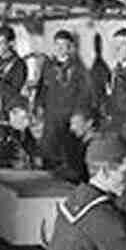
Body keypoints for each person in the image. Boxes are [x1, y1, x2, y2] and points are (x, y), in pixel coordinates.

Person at [33, 29, 95, 174]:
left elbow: (85, 95)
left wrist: (78, 116)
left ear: (70, 47)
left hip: (68, 119)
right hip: (51, 118)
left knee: (68, 155)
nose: (60, 48)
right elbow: (41, 90)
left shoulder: (79, 69)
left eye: (64, 45)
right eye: (57, 45)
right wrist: (38, 107)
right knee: (48, 154)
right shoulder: (48, 67)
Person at [0, 96, 39, 169]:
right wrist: (12, 163)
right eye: (24, 117)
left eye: (27, 117)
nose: (26, 122)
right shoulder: (1, 134)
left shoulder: (27, 136)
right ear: (10, 114)